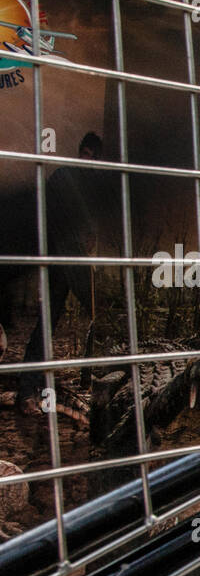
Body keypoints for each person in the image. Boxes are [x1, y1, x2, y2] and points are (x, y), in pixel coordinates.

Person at [19, 132, 112, 416]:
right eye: (87, 154)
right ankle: (27, 392)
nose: (88, 159)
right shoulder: (65, 178)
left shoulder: (76, 179)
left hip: (71, 261)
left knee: (95, 318)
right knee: (88, 318)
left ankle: (35, 389)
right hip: (64, 260)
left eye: (91, 156)